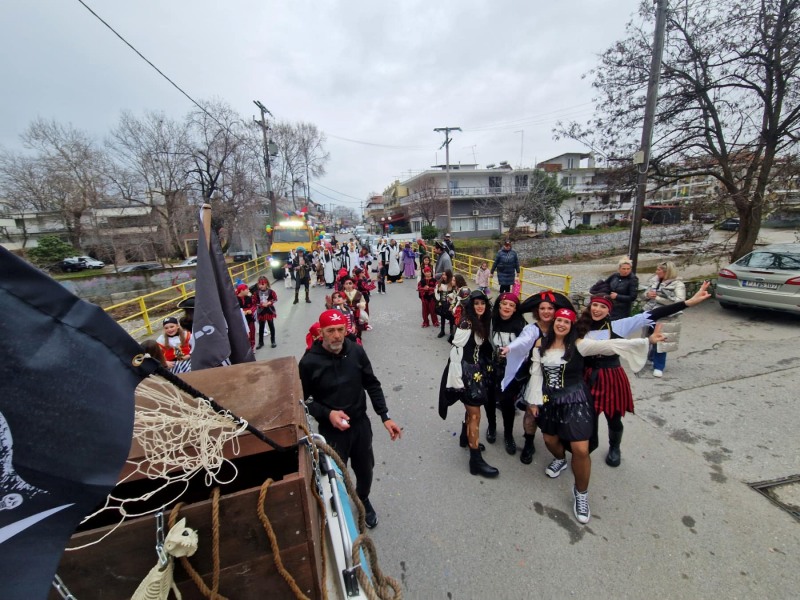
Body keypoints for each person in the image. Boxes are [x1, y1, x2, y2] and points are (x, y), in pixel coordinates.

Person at [522, 306, 667, 524]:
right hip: (550, 400)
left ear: (571, 326)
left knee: (581, 449)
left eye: (566, 321)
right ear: (553, 323)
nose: (561, 324)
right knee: (550, 441)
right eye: (559, 320)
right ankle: (560, 460)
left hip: (575, 399)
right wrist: (533, 401)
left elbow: (611, 345)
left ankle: (581, 494)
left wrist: (647, 341)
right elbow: (536, 374)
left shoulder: (580, 344)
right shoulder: (540, 345)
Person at [578, 282, 711, 467]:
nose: (597, 309)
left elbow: (653, 314)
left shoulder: (619, 325)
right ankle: (587, 448)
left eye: (603, 306)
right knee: (588, 417)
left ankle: (615, 447)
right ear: (590, 306)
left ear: (609, 310)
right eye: (595, 305)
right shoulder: (580, 327)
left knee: (613, 418)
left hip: (611, 377)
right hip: (586, 376)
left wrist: (687, 303)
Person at [299, 309, 403, 529]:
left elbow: (372, 384)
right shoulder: (309, 362)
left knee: (366, 470)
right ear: (321, 332)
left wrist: (385, 416)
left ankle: (362, 498)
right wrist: (328, 413)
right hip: (332, 432)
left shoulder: (356, 351)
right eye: (330, 331)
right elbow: (303, 400)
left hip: (360, 424)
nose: (337, 336)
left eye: (340, 330)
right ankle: (339, 505)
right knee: (335, 475)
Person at [499, 290, 573, 463]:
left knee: (557, 413)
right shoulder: (532, 329)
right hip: (535, 375)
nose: (546, 311)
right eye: (542, 308)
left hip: (559, 378)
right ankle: (529, 443)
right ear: (537, 311)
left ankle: (559, 445)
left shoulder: (562, 326)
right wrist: (510, 348)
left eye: (550, 308)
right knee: (531, 412)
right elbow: (524, 341)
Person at [438, 290, 498, 478]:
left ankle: (466, 438)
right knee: (475, 415)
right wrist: (456, 379)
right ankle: (475, 460)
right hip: (465, 372)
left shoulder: (478, 321)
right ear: (471, 306)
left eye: (482, 303)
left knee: (472, 409)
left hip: (475, 370)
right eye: (476, 303)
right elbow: (456, 351)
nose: (480, 306)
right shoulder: (467, 322)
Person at [488, 292, 526, 453]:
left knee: (507, 404)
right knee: (489, 399)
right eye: (504, 304)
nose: (507, 307)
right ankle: (491, 426)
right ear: (499, 305)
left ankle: (508, 435)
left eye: (511, 305)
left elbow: (526, 348)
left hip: (510, 371)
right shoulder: (491, 321)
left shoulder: (521, 325)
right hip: (491, 368)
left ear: (516, 309)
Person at [642, 261, 686, 377]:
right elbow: (643, 295)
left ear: (666, 272)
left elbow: (679, 302)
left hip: (666, 317)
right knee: (649, 338)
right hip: (650, 314)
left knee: (661, 342)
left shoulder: (678, 284)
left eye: (658, 270)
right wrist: (647, 295)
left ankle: (659, 366)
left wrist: (658, 298)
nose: (656, 272)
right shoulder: (654, 281)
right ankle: (650, 357)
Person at [253, 276, 278, 349]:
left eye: (262, 284)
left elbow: (275, 299)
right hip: (261, 311)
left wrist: (269, 302)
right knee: (261, 327)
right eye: (259, 284)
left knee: (271, 325)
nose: (261, 286)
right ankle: (261, 342)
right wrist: (261, 304)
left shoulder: (271, 291)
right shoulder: (256, 293)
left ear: (266, 284)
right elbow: (254, 302)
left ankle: (273, 341)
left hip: (269, 310)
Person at [236, 283, 257, 350]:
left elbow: (254, 305)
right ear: (242, 290)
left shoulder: (249, 298)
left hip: (250, 319)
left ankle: (252, 348)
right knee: (243, 335)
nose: (248, 290)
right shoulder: (234, 300)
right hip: (240, 321)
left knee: (252, 333)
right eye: (247, 289)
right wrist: (242, 312)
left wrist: (251, 310)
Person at [436, 269, 456, 339]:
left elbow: (455, 294)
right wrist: (438, 290)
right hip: (442, 303)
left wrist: (451, 297)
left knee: (451, 318)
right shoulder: (440, 283)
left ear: (449, 275)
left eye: (445, 275)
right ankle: (442, 331)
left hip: (450, 304)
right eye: (443, 274)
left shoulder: (452, 284)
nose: (444, 276)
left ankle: (451, 332)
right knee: (442, 317)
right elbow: (436, 293)